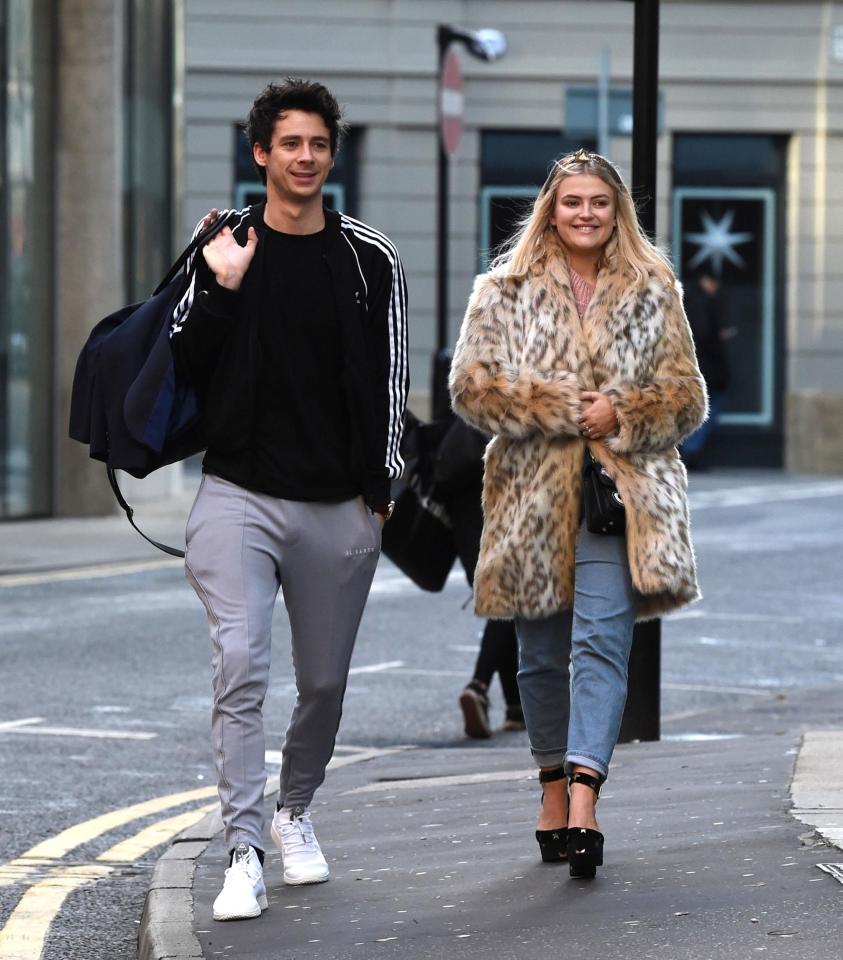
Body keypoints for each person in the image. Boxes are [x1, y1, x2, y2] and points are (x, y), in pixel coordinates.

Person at [170, 78, 408, 921]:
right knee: (239, 666)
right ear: (260, 153)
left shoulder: (368, 257)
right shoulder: (222, 246)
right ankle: (243, 850)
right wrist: (222, 287)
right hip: (237, 493)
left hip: (337, 505)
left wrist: (378, 489)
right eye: (289, 144)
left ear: (329, 155)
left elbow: (389, 376)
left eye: (317, 144)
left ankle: (295, 809)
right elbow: (185, 366)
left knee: (325, 684)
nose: (304, 158)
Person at [449, 148, 706, 879]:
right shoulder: (501, 290)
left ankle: (587, 796)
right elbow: (471, 390)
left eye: (599, 201)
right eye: (572, 202)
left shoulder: (655, 288)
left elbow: (686, 397)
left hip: (619, 500)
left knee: (600, 643)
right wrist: (565, 408)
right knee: (537, 657)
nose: (585, 213)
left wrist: (622, 410)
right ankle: (551, 784)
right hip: (530, 498)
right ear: (550, 210)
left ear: (616, 210)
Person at [681, 272, 731, 469]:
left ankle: (689, 449)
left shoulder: (688, 300)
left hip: (696, 366)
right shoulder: (702, 303)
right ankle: (691, 450)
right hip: (705, 367)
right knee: (710, 407)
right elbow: (703, 336)